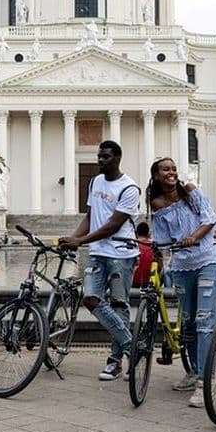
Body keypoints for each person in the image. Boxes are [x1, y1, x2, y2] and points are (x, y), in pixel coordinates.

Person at [59, 140, 139, 381]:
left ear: (117, 158)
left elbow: (113, 225)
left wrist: (80, 242)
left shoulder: (130, 188)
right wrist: (73, 237)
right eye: (99, 156)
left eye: (105, 157)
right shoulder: (95, 181)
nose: (100, 160)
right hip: (98, 252)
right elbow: (91, 216)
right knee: (91, 297)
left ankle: (114, 362)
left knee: (119, 305)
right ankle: (130, 345)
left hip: (121, 254)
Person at [147, 157, 216, 408]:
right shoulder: (156, 202)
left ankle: (206, 381)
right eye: (165, 170)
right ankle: (193, 372)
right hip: (182, 267)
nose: (171, 172)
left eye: (173, 169)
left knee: (204, 321)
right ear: (156, 176)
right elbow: (161, 237)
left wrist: (193, 237)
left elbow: (210, 218)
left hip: (208, 259)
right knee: (188, 322)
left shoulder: (190, 190)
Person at [131, 222, 154, 288]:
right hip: (149, 281)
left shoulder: (133, 244)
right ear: (148, 233)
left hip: (133, 281)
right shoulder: (153, 245)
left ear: (136, 233)